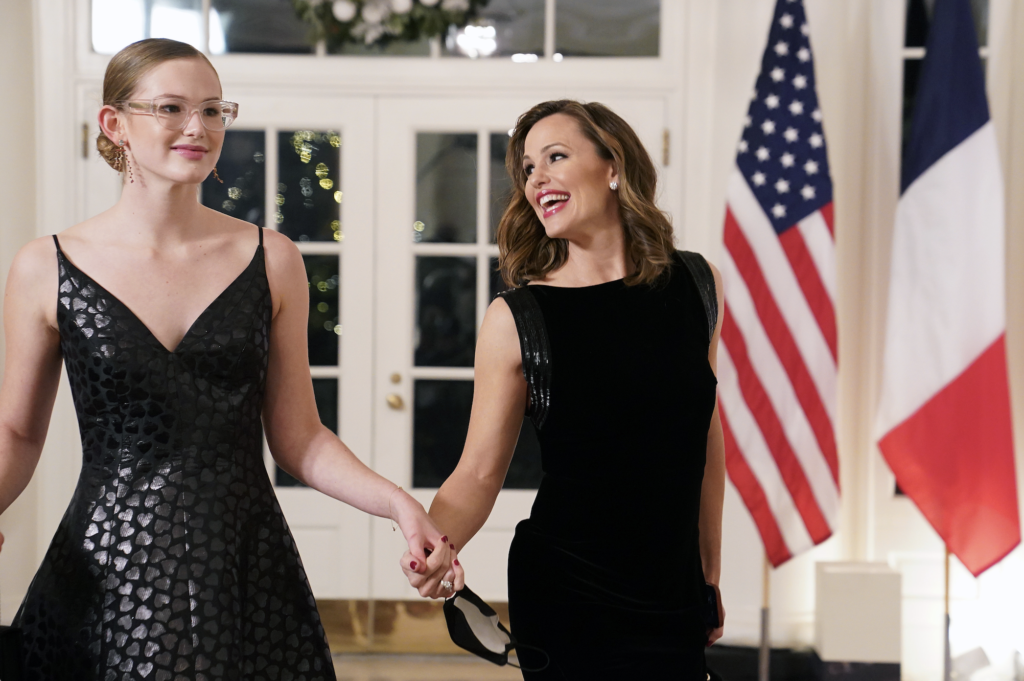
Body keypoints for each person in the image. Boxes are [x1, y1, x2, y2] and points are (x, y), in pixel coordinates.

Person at [0, 38, 453, 680]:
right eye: (171, 108)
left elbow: (300, 438)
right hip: (108, 564)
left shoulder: (274, 259)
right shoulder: (45, 265)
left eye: (213, 110)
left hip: (244, 562)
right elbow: (15, 431)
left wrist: (399, 504)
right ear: (114, 124)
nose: (197, 127)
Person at [402, 100, 727, 679]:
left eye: (555, 157)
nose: (537, 179)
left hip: (671, 590)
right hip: (568, 591)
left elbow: (705, 443)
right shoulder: (519, 317)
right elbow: (478, 472)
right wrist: (435, 545)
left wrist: (709, 575)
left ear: (613, 166)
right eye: (527, 169)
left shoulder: (698, 285)